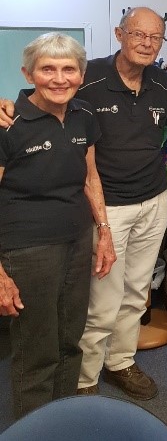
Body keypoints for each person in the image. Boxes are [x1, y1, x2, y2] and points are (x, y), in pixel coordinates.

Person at [0, 7, 167, 402]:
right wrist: (10, 108)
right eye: (138, 34)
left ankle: (120, 362)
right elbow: (47, 97)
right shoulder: (89, 78)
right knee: (101, 300)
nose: (147, 44)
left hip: (154, 200)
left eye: (155, 37)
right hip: (106, 208)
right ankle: (83, 378)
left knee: (137, 291)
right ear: (120, 34)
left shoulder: (165, 83)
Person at [0, 33, 115, 418]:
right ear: (28, 73)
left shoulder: (83, 115)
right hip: (28, 249)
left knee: (70, 341)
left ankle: (62, 420)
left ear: (81, 75)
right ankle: (32, 429)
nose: (59, 78)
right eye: (48, 69)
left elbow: (90, 177)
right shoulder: (8, 122)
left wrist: (103, 232)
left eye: (69, 69)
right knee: (37, 350)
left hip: (77, 241)